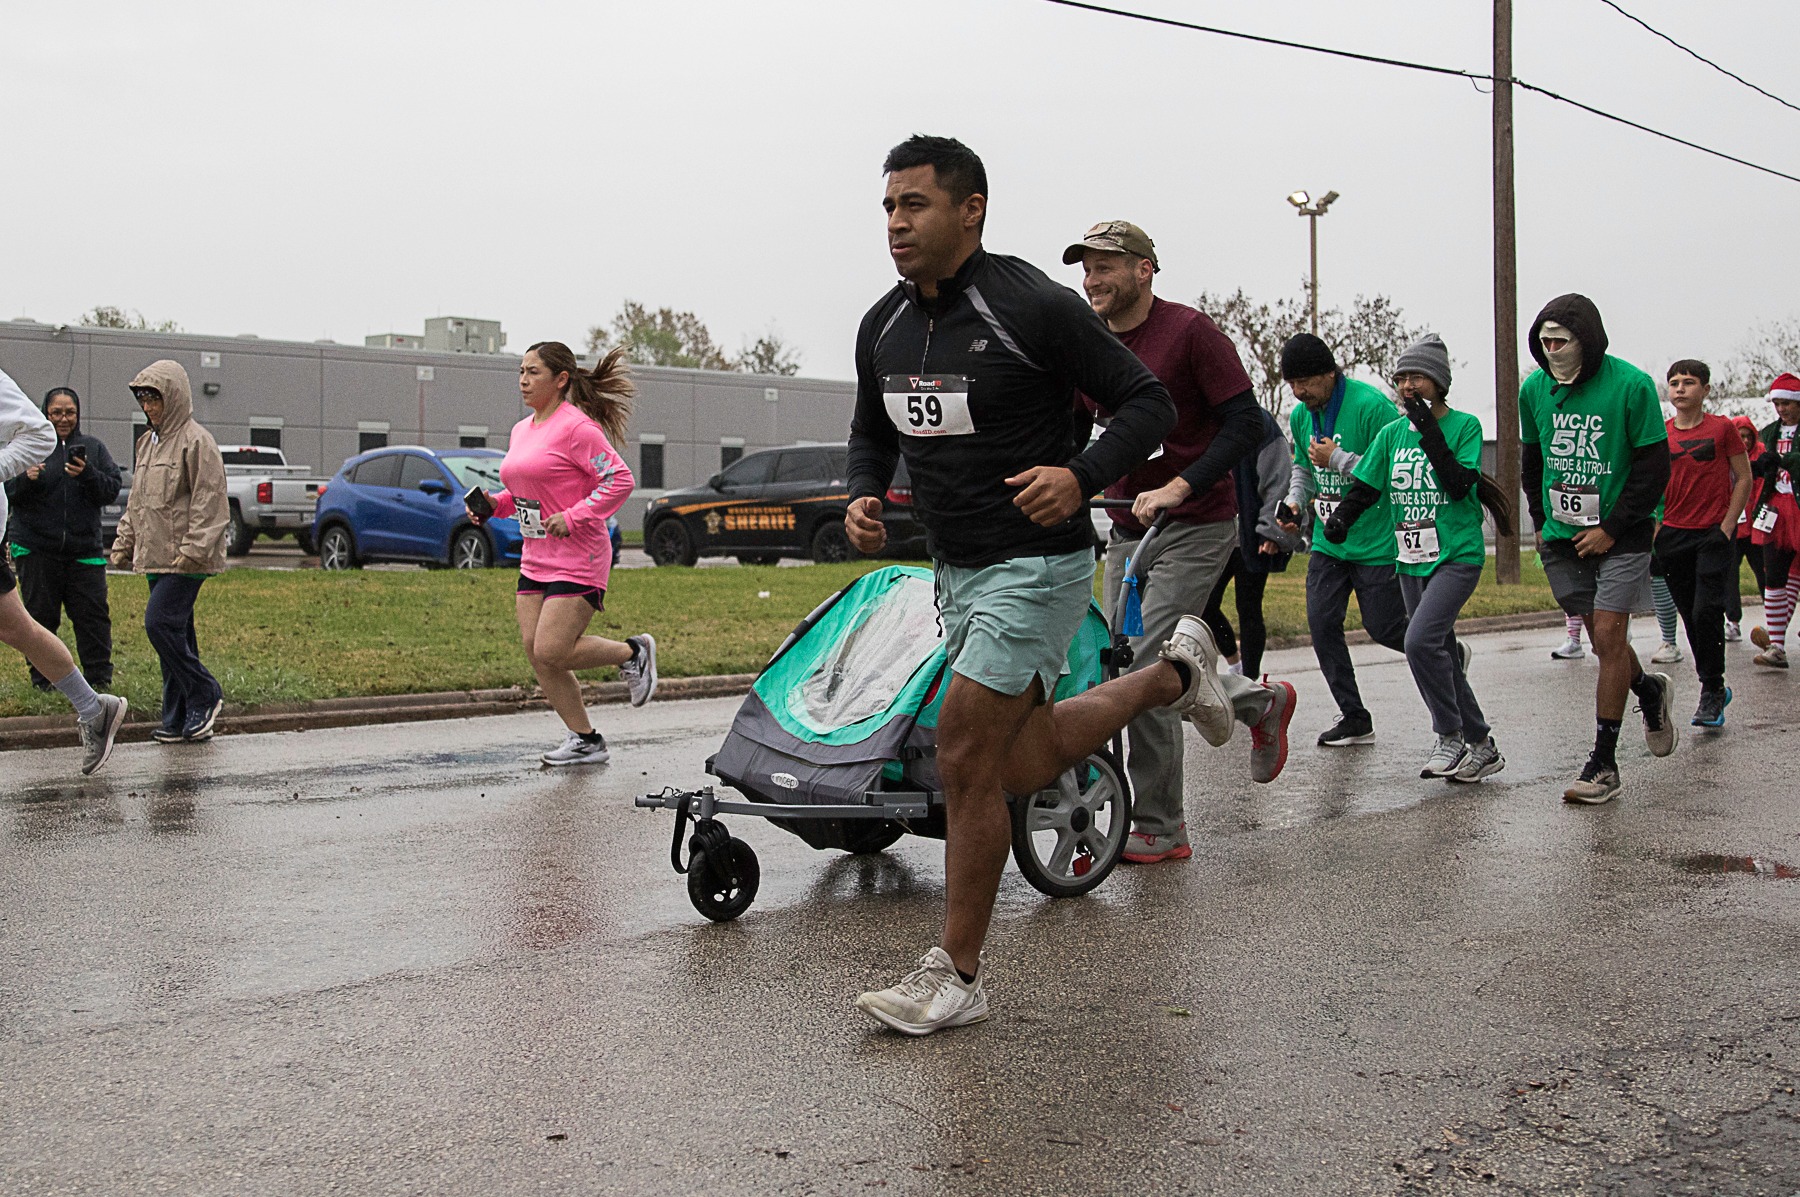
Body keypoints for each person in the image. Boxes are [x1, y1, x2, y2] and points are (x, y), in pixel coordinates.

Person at [844, 135, 1232, 1035]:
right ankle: (1176, 675)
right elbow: (873, 430)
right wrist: (865, 490)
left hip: (1038, 561)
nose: (898, 223)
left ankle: (957, 972)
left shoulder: (1033, 306)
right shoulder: (884, 326)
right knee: (1012, 763)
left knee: (962, 746)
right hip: (959, 570)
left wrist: (1081, 474)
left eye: (916, 205)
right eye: (889, 208)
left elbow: (1150, 404)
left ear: (970, 207)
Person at [1064, 220, 1296, 865]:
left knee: (1142, 667)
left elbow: (1248, 422)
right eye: (1085, 267)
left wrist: (1180, 484)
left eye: (1105, 265)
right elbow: (1075, 427)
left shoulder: (1189, 332)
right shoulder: (1088, 344)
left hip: (1197, 523)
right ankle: (1258, 702)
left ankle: (1161, 825)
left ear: (1144, 269)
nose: (1092, 279)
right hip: (1129, 528)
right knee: (1122, 661)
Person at [1324, 335, 1509, 781]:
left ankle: (1448, 734)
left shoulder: (1463, 427)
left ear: (1438, 383)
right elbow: (1367, 485)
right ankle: (1482, 745)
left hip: (1456, 555)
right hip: (1410, 558)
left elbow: (1459, 483)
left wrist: (1428, 428)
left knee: (1419, 641)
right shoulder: (1391, 435)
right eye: (1401, 378)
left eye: (1417, 377)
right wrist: (1342, 519)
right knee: (1439, 650)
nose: (1407, 386)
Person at [466, 342, 656, 766]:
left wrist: (575, 516)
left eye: (533, 372)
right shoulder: (521, 430)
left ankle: (633, 652)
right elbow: (524, 493)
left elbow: (619, 481)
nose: (523, 379)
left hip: (580, 554)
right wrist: (494, 506)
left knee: (552, 648)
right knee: (539, 653)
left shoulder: (577, 428)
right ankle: (585, 740)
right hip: (536, 554)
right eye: (520, 371)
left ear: (561, 379)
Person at [1518, 295, 1675, 804]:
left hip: (1621, 533)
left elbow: (1654, 470)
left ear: (1586, 340)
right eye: (1543, 342)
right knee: (1605, 641)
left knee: (1608, 635)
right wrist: (1541, 521)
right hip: (1563, 537)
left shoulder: (1631, 386)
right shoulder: (1533, 389)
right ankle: (1649, 691)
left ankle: (1603, 763)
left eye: (1560, 341)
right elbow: (1532, 460)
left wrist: (1611, 527)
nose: (1551, 350)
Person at [1276, 333, 1409, 745]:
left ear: (1330, 374)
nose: (1299, 393)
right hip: (1329, 543)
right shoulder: (1301, 416)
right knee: (1321, 623)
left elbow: (1393, 472)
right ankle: (1354, 716)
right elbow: (1303, 468)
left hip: (1375, 542)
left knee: (1384, 627)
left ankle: (1444, 652)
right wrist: (1295, 502)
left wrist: (1337, 458)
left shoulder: (1372, 407)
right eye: (1292, 384)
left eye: (1306, 383)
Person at [0, 367, 128, 773]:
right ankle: (93, 708)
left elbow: (39, 435)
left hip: (75, 548)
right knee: (17, 627)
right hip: (35, 542)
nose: (64, 418)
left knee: (18, 626)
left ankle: (94, 706)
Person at [110, 361, 229, 742]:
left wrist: (195, 549)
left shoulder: (198, 442)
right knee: (177, 634)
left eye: (154, 397)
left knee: (158, 624)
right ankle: (179, 718)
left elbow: (210, 500)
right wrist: (124, 541)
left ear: (173, 396)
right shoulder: (147, 443)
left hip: (188, 559)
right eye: (142, 398)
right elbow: (139, 502)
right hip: (156, 556)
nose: (148, 406)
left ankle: (205, 693)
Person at [4, 386, 121, 691]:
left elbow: (110, 489)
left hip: (84, 551)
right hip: (36, 549)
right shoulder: (30, 448)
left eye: (69, 412)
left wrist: (87, 474)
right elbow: (9, 495)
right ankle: (43, 681)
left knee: (93, 619)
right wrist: (25, 479)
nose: (63, 418)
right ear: (45, 413)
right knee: (39, 619)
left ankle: (99, 681)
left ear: (78, 414)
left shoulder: (92, 448)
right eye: (56, 412)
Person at [1654, 360, 1751, 726]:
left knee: (1706, 611)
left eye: (1689, 382)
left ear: (1705, 390)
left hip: (1713, 534)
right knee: (1691, 617)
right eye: (1675, 382)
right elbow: (1654, 484)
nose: (1680, 389)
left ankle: (1711, 690)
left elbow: (1744, 477)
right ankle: (1712, 685)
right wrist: (1658, 527)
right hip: (1673, 536)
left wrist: (1727, 526)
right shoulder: (1662, 434)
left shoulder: (1722, 428)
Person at [1200, 407, 1303, 680]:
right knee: (1205, 604)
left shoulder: (1260, 422)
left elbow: (1279, 478)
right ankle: (1234, 664)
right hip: (1213, 534)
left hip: (1251, 534)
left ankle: (1250, 680)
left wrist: (1271, 531)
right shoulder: (1203, 417)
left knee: (1249, 607)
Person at [1747, 373, 1800, 670]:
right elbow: (1763, 465)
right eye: (1777, 403)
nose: (1781, 409)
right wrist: (1758, 468)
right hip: (1776, 510)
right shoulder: (1768, 432)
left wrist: (1786, 461)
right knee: (1775, 574)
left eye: (1787, 403)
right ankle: (1776, 645)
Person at [1726, 414, 1767, 642]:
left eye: (1747, 436)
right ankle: (1732, 621)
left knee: (1765, 575)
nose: (1744, 441)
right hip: (1735, 528)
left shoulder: (1762, 457)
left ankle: (1773, 622)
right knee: (1729, 577)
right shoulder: (1726, 458)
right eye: (1739, 436)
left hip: (1757, 527)